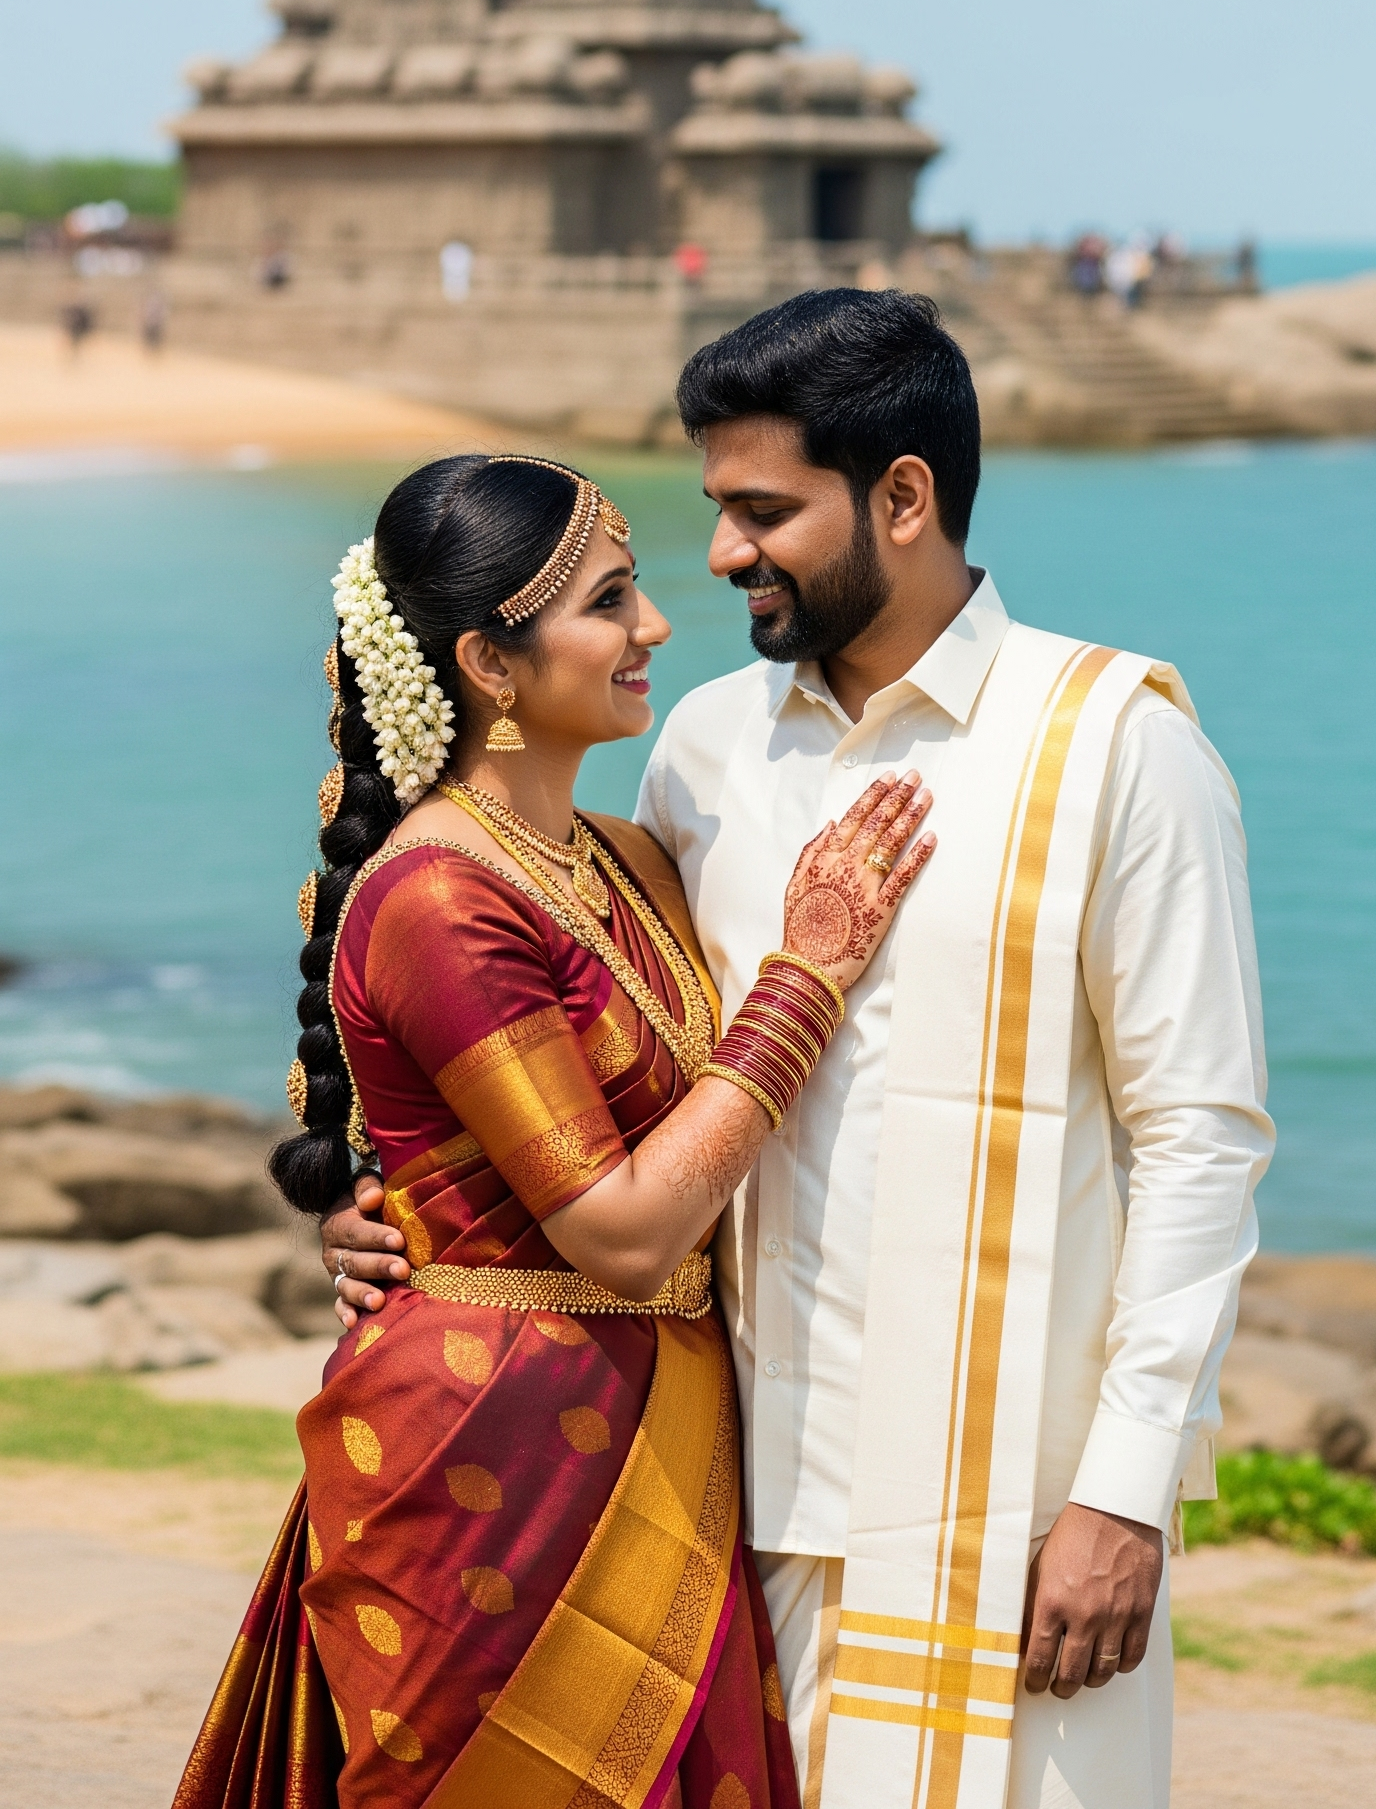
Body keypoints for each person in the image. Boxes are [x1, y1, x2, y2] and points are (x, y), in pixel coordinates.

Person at [330, 293, 1273, 1809]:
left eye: (763, 511)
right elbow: (563, 1016)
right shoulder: (705, 746)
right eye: (713, 510)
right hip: (724, 1493)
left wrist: (1126, 1491)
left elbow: (1199, 1140)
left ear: (903, 498)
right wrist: (409, 1213)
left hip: (1014, 1514)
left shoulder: (1113, 743)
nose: (719, 558)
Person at [177, 449, 933, 1809]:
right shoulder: (437, 901)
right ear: (488, 659)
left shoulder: (629, 859)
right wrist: (806, 980)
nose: (654, 627)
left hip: (658, 1429)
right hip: (490, 1458)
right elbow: (628, 1233)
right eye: (611, 600)